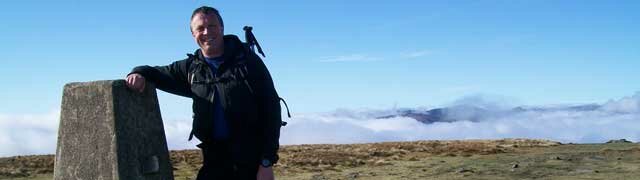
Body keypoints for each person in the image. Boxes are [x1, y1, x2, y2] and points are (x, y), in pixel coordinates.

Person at [125, 6, 282, 180]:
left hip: (250, 160)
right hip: (213, 159)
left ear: (222, 28)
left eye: (212, 26)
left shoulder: (247, 61)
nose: (207, 32)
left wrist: (266, 162)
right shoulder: (192, 67)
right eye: (200, 28)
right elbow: (156, 72)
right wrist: (137, 73)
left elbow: (272, 110)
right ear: (193, 34)